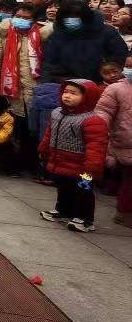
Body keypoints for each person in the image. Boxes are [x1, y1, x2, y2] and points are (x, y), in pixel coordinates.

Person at [0, 2, 51, 177]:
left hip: (35, 87)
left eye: (26, 18)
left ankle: (34, 163)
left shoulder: (44, 35)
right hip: (10, 88)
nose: (21, 20)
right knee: (13, 127)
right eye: (19, 17)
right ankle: (13, 164)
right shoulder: (4, 33)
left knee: (34, 129)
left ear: (35, 20)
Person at [39, 79, 108, 232]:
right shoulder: (57, 113)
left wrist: (93, 166)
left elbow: (96, 146)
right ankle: (63, 211)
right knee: (63, 188)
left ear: (88, 97)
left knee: (84, 192)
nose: (67, 96)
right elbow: (49, 134)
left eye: (73, 93)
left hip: (84, 167)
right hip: (61, 161)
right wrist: (43, 149)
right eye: (65, 92)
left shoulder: (92, 120)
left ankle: (85, 219)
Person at [42, 0, 127, 83]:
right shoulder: (56, 36)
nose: (71, 20)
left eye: (75, 17)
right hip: (68, 86)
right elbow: (50, 64)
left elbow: (119, 55)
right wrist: (65, 80)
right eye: (67, 17)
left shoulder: (106, 32)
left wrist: (108, 73)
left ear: (85, 17)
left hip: (103, 84)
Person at [94, 62, 132, 226]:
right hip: (125, 142)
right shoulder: (116, 89)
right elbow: (103, 112)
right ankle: (124, 214)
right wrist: (99, 131)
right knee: (130, 181)